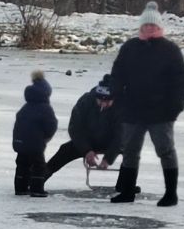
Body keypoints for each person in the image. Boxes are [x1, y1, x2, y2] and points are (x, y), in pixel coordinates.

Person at [108, 2, 184, 207]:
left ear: (159, 27)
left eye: (152, 25)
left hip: (161, 112)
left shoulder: (170, 50)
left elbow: (180, 82)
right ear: (141, 27)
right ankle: (127, 191)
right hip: (132, 110)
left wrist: (175, 108)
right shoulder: (129, 48)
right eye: (146, 25)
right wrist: (117, 100)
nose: (149, 28)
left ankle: (170, 194)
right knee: (130, 152)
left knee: (165, 151)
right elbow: (117, 76)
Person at [44, 75, 122, 182]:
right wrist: (86, 150)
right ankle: (39, 178)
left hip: (113, 143)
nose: (103, 104)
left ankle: (126, 185)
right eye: (100, 100)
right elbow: (75, 128)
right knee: (65, 150)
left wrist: (109, 157)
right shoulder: (86, 101)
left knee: (132, 153)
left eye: (108, 101)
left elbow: (122, 135)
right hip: (88, 141)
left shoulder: (122, 106)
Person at [12, 70, 57, 198]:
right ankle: (36, 189)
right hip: (35, 143)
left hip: (21, 142)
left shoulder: (25, 108)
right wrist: (46, 137)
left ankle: (20, 188)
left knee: (22, 165)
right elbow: (51, 125)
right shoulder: (45, 108)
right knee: (39, 166)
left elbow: (18, 125)